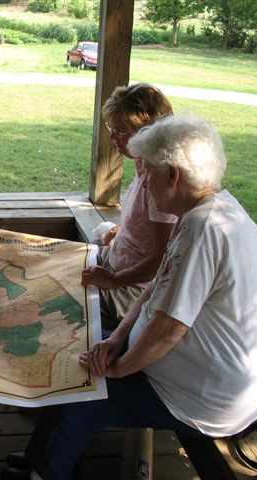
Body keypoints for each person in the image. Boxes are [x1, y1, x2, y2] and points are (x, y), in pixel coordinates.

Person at [0, 116, 257, 480]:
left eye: (149, 174)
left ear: (173, 175)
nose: (145, 184)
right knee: (84, 359)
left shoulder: (201, 231)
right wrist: (116, 338)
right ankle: (44, 458)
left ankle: (46, 473)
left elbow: (167, 331)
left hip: (206, 398)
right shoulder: (213, 209)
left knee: (81, 392)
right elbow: (157, 288)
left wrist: (119, 369)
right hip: (210, 380)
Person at [81, 83, 177, 331]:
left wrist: (113, 280)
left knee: (60, 298)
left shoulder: (159, 183)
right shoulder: (143, 164)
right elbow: (151, 226)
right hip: (117, 260)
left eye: (120, 131)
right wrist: (125, 230)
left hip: (133, 287)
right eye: (111, 128)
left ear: (147, 133)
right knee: (59, 263)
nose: (112, 136)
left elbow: (160, 259)